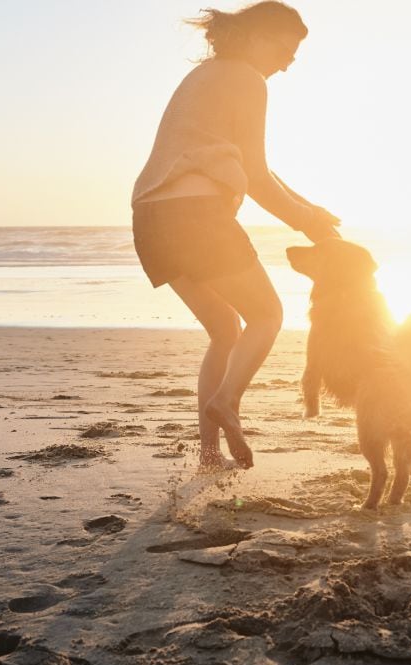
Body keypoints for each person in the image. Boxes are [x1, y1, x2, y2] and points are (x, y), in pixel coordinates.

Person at [131, 2, 340, 472]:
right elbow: (258, 178)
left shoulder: (208, 75)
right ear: (256, 37)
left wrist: (309, 208)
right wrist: (307, 222)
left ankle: (208, 456)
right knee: (268, 315)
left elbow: (254, 167)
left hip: (150, 217)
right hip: (195, 214)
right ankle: (226, 402)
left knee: (225, 330)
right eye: (286, 50)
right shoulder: (247, 78)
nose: (288, 63)